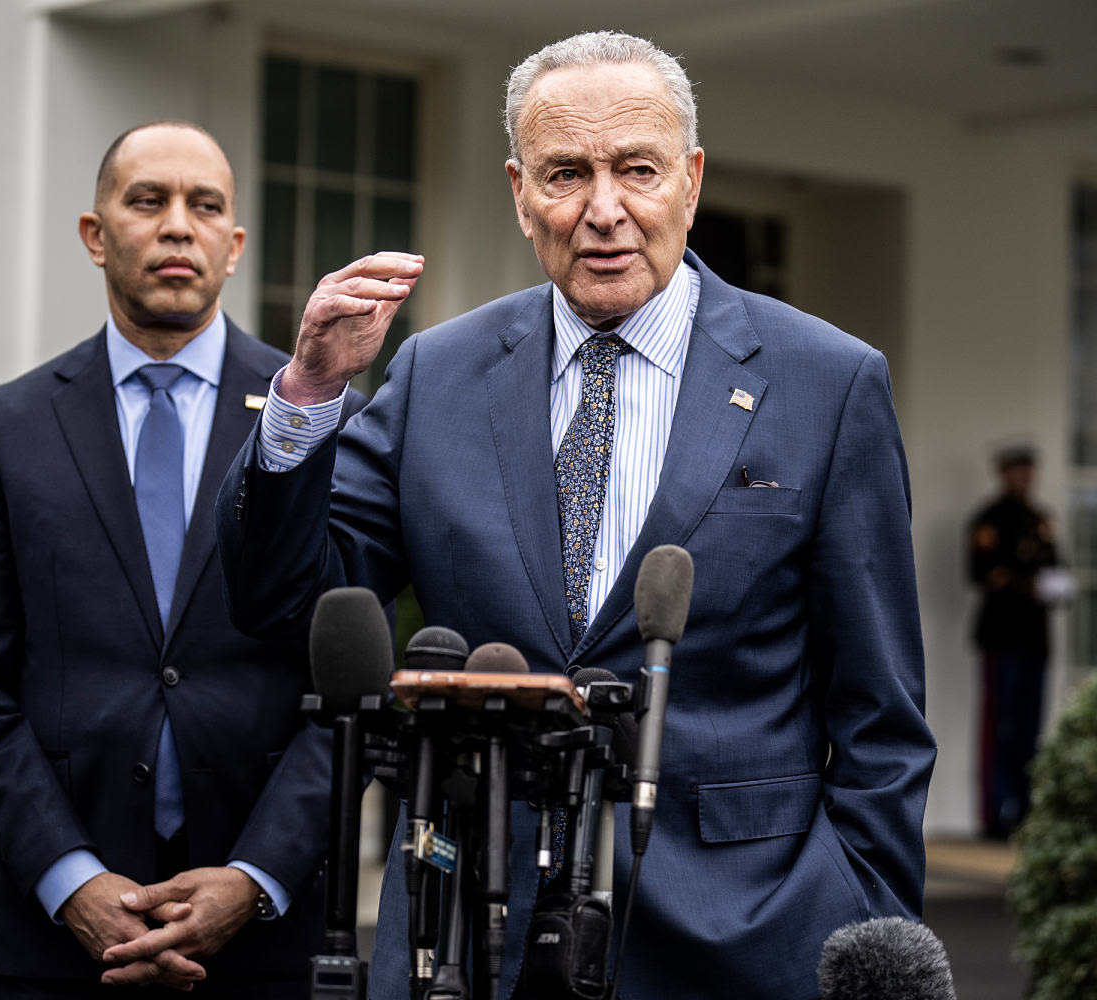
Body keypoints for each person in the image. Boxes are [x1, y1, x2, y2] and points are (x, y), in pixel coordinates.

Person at [213, 31, 934, 999]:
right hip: (470, 928)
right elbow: (283, 597)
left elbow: (882, 711)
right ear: (519, 192)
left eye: (636, 168)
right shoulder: (438, 372)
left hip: (748, 933)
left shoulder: (828, 381)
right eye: (565, 173)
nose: (603, 210)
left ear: (691, 179)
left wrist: (866, 927)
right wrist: (305, 393)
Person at [0, 120, 354, 996]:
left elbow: (349, 696)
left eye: (204, 207)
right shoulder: (4, 429)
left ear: (234, 245)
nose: (176, 227)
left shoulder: (320, 420)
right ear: (95, 235)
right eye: (146, 201)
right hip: (51, 948)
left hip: (263, 950)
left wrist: (255, 879)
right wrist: (71, 881)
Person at [967, 444, 1064, 840]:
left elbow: (1057, 567)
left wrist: (1056, 586)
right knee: (999, 727)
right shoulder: (990, 519)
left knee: (1029, 728)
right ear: (1004, 473)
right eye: (1017, 470)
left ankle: (1024, 809)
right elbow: (981, 573)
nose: (1025, 478)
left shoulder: (1040, 519)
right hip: (1002, 636)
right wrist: (1027, 584)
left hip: (1035, 638)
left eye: (1029, 471)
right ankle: (994, 814)